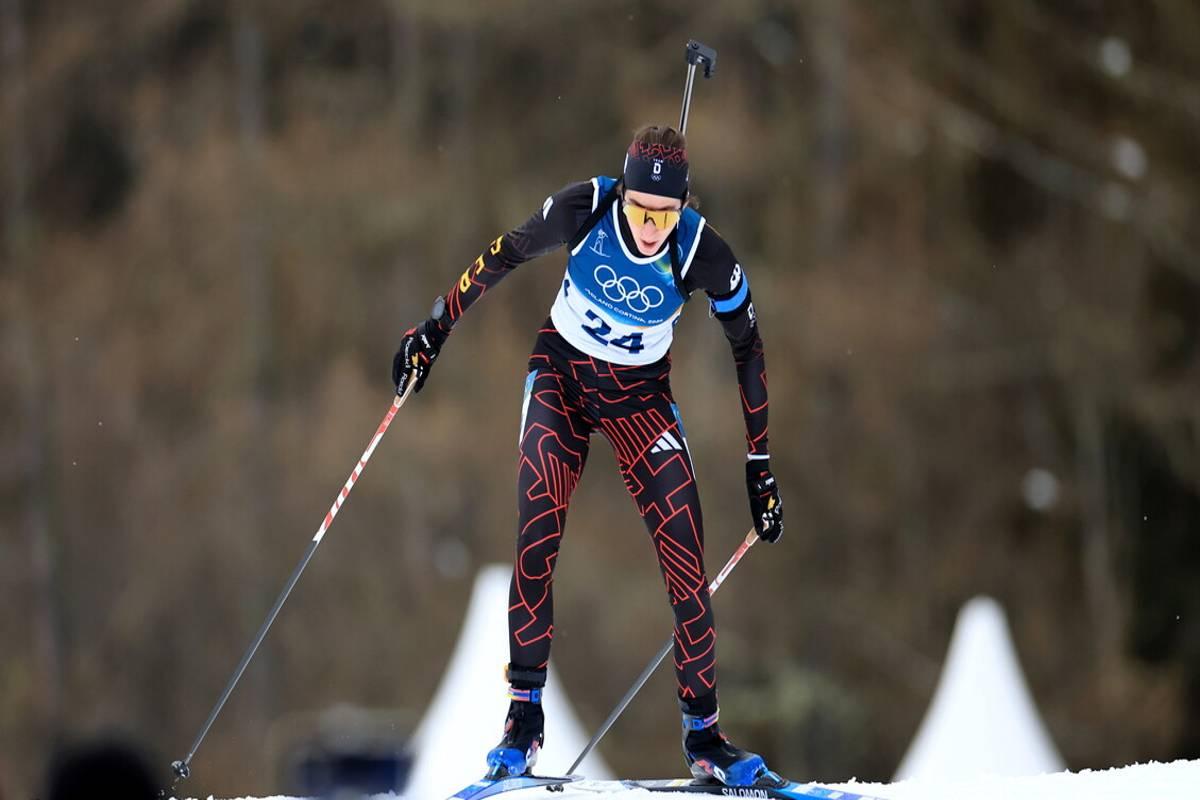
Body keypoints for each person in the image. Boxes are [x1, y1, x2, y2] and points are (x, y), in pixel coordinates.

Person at [393, 125, 784, 787]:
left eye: (666, 213)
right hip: (563, 381)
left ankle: (705, 735)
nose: (652, 226)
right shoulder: (586, 207)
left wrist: (759, 464)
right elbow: (505, 254)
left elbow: (748, 345)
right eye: (640, 210)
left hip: (640, 403)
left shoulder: (702, 252)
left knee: (687, 559)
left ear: (684, 207)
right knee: (537, 531)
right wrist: (432, 329)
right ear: (622, 194)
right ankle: (523, 720)